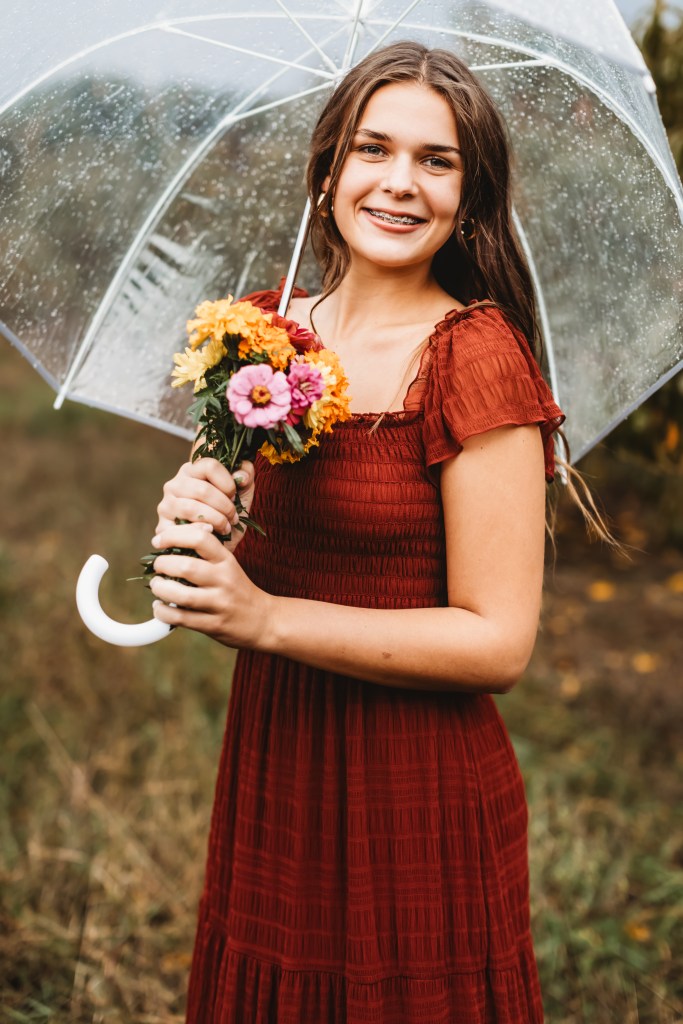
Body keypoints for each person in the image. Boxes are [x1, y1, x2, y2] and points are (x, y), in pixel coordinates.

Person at [150, 41, 566, 1024]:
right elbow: (264, 546)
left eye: (436, 159)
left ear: (468, 196)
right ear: (326, 167)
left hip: (415, 790)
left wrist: (263, 616)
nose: (397, 182)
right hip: (279, 757)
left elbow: (496, 640)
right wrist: (203, 519)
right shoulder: (258, 335)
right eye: (372, 148)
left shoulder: (474, 357)